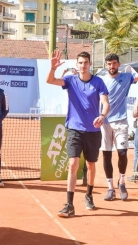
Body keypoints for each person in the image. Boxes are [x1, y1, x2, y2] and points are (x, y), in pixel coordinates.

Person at [46, 50, 110, 217]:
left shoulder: (98, 82)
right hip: (74, 128)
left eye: (85, 63)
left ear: (90, 64)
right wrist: (52, 68)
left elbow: (105, 102)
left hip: (93, 131)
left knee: (90, 165)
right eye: (80, 63)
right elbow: (50, 80)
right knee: (73, 164)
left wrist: (102, 115)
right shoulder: (70, 80)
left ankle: (89, 194)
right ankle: (69, 204)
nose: (83, 66)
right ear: (77, 65)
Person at [99, 44, 138, 201]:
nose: (112, 66)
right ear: (106, 65)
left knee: (122, 153)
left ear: (118, 65)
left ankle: (121, 182)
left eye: (114, 63)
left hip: (121, 121)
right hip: (104, 123)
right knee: (106, 155)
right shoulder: (100, 81)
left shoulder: (127, 77)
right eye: (109, 64)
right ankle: (110, 188)